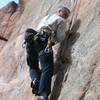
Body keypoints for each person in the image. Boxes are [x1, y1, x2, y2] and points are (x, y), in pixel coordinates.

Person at [25, 6, 70, 100]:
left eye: (67, 16)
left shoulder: (46, 18)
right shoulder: (60, 20)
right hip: (43, 41)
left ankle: (35, 79)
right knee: (47, 67)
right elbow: (60, 37)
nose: (65, 17)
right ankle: (43, 96)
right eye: (65, 14)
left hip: (31, 41)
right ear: (59, 11)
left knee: (33, 66)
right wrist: (66, 33)